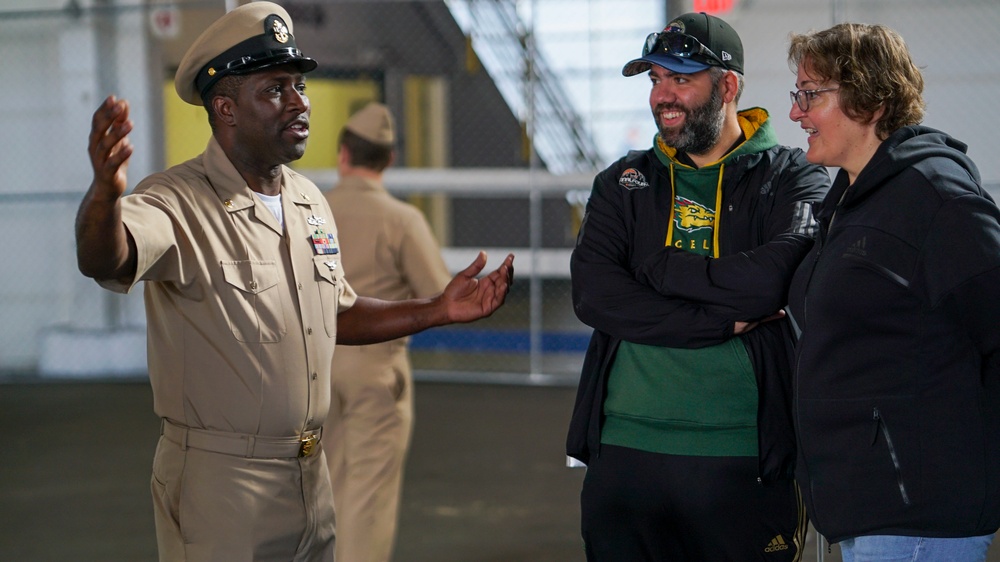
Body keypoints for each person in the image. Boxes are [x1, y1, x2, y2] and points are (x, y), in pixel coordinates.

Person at [75, 3, 514, 562]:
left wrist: (436, 308)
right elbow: (105, 257)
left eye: (299, 85)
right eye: (275, 89)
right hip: (223, 486)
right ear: (226, 107)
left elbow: (334, 314)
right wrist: (106, 195)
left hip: (311, 474)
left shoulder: (307, 200)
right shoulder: (175, 201)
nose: (300, 101)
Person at [565, 12, 830, 561]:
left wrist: (658, 270)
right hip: (624, 451)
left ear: (728, 86)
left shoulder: (793, 176)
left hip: (742, 453)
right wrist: (714, 321)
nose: (662, 95)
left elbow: (773, 282)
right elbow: (593, 293)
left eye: (680, 78)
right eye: (654, 79)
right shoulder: (622, 182)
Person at [786, 23, 1000, 562]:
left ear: (872, 100)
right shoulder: (853, 200)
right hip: (872, 504)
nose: (797, 112)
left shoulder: (934, 196)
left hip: (919, 516)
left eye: (811, 94)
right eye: (798, 95)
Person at [322, 102, 452, 562]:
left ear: (343, 153)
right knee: (368, 497)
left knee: (324, 489)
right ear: (389, 159)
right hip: (375, 370)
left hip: (312, 369)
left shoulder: (309, 212)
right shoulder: (401, 220)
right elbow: (442, 296)